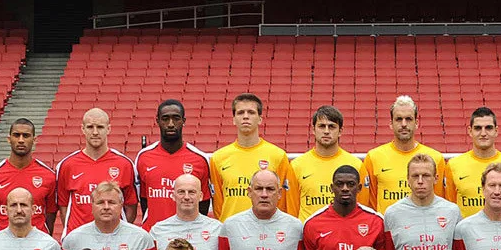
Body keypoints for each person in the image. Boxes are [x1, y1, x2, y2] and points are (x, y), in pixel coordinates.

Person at [210, 93, 291, 222]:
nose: (246, 116)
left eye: (251, 112)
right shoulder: (218, 158)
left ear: (260, 119)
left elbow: (282, 200)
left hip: (267, 227)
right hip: (232, 229)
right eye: (240, 112)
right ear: (234, 119)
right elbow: (218, 205)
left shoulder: (278, 156)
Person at [55, 107, 137, 235]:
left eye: (100, 127)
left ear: (108, 129)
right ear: (83, 129)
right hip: (79, 236)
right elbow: (64, 206)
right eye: (90, 127)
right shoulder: (67, 165)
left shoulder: (124, 164)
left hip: (113, 237)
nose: (95, 132)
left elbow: (130, 206)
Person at [362, 95, 446, 214]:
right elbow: (371, 204)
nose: (404, 124)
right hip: (387, 225)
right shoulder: (374, 157)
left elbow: (439, 202)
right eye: (398, 119)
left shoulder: (435, 158)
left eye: (409, 119)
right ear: (391, 123)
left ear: (416, 123)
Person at [134, 99, 211, 229]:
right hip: (154, 232)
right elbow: (144, 199)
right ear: (158, 121)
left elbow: (203, 203)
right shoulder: (144, 157)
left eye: (176, 118)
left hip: (187, 234)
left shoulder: (199, 159)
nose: (170, 124)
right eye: (165, 119)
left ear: (183, 121)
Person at [287, 106, 368, 222]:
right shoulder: (296, 166)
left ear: (340, 131)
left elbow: (362, 210)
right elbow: (292, 213)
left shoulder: (356, 165)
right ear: (313, 129)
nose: (326, 131)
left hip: (344, 230)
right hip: (309, 232)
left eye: (331, 126)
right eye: (321, 126)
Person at [0, 118, 57, 234]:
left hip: (38, 242)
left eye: (26, 136)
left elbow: (50, 216)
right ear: (9, 139)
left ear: (34, 140)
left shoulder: (48, 176)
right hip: (3, 242)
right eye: (16, 135)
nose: (21, 140)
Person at [445, 106, 501, 218]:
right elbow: (450, 210)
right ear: (470, 131)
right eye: (478, 128)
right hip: (466, 229)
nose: (483, 133)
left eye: (488, 128)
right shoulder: (454, 165)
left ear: (496, 131)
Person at [150, 173, 221, 250]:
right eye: (181, 192)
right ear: (173, 196)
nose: (186, 197)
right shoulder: (158, 230)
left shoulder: (217, 229)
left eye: (192, 192)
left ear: (201, 196)